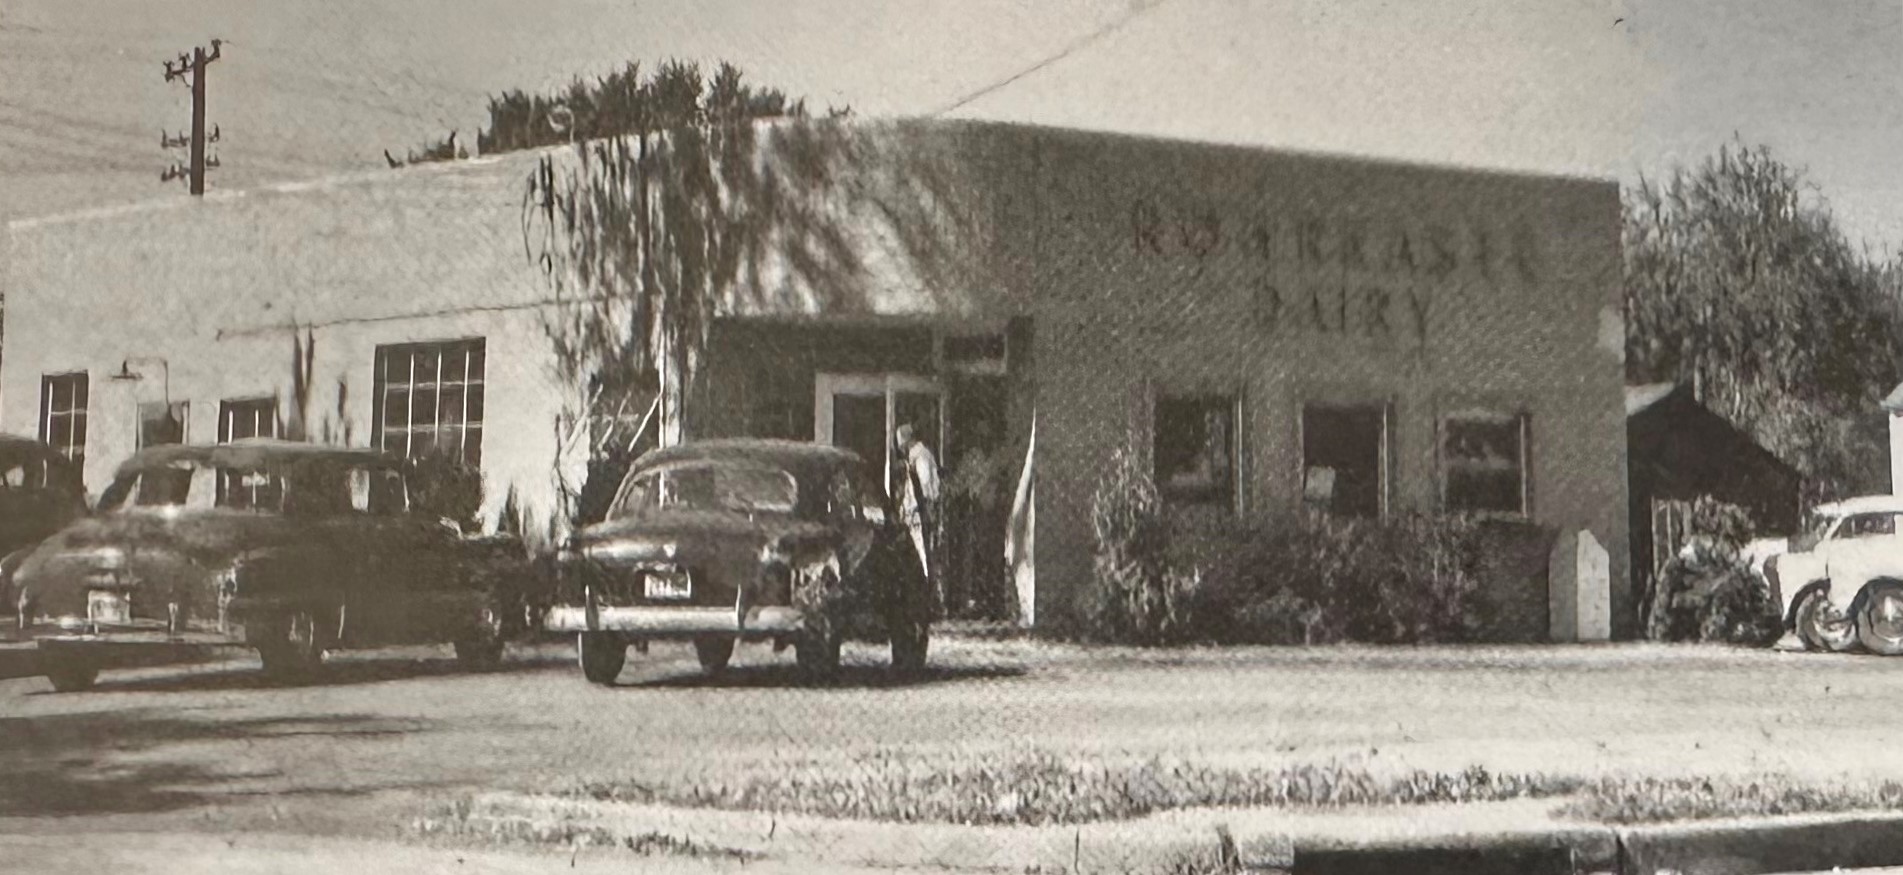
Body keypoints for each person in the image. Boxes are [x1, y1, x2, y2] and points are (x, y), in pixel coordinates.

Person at [894, 422, 942, 610]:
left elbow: (926, 488)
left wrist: (924, 511)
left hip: (920, 516)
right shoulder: (922, 456)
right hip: (919, 514)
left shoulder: (919, 457)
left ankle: (928, 602)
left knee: (923, 557)